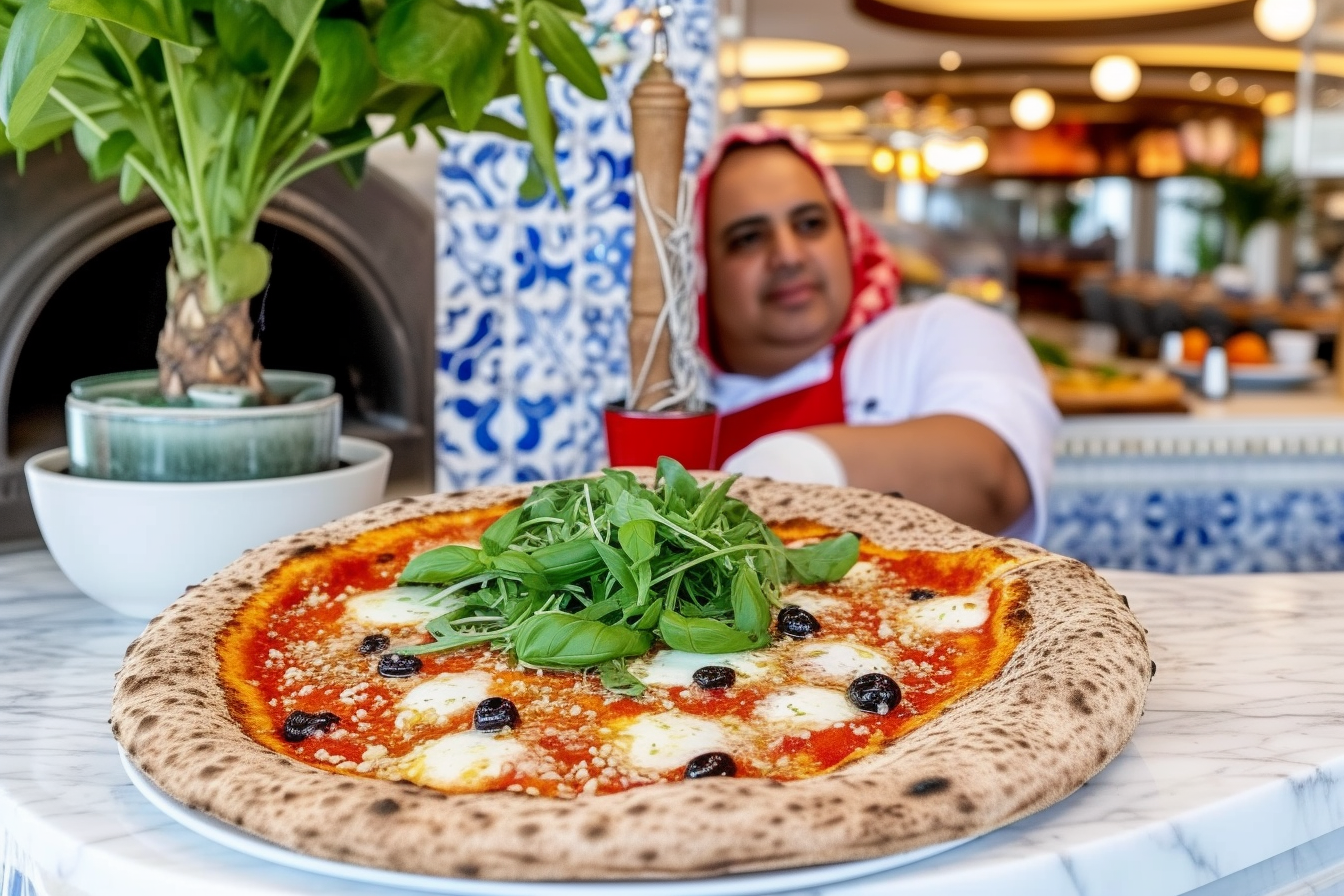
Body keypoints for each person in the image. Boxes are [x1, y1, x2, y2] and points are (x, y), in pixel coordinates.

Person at [695, 124, 1058, 542]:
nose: (788, 255)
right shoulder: (674, 407)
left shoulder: (938, 332)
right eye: (748, 238)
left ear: (847, 237)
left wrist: (791, 468)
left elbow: (992, 478)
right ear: (702, 270)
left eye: (810, 224)